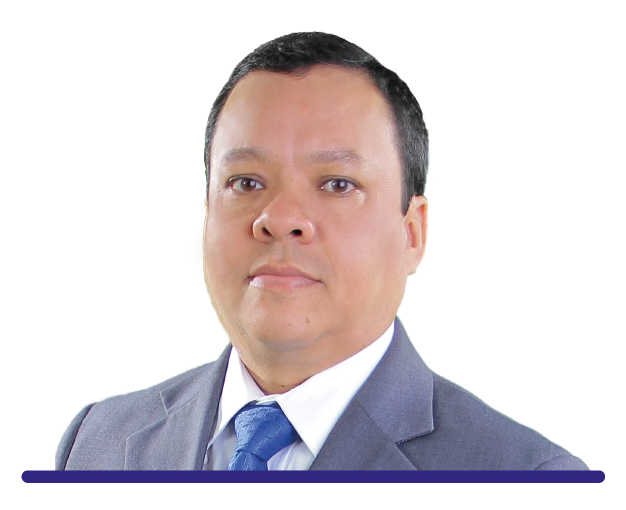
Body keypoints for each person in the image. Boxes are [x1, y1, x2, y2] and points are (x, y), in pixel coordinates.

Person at [55, 31, 588, 471]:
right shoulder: (94, 445)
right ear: (203, 220)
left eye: (337, 184)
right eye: (245, 183)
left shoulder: (530, 478)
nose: (280, 218)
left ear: (413, 233)